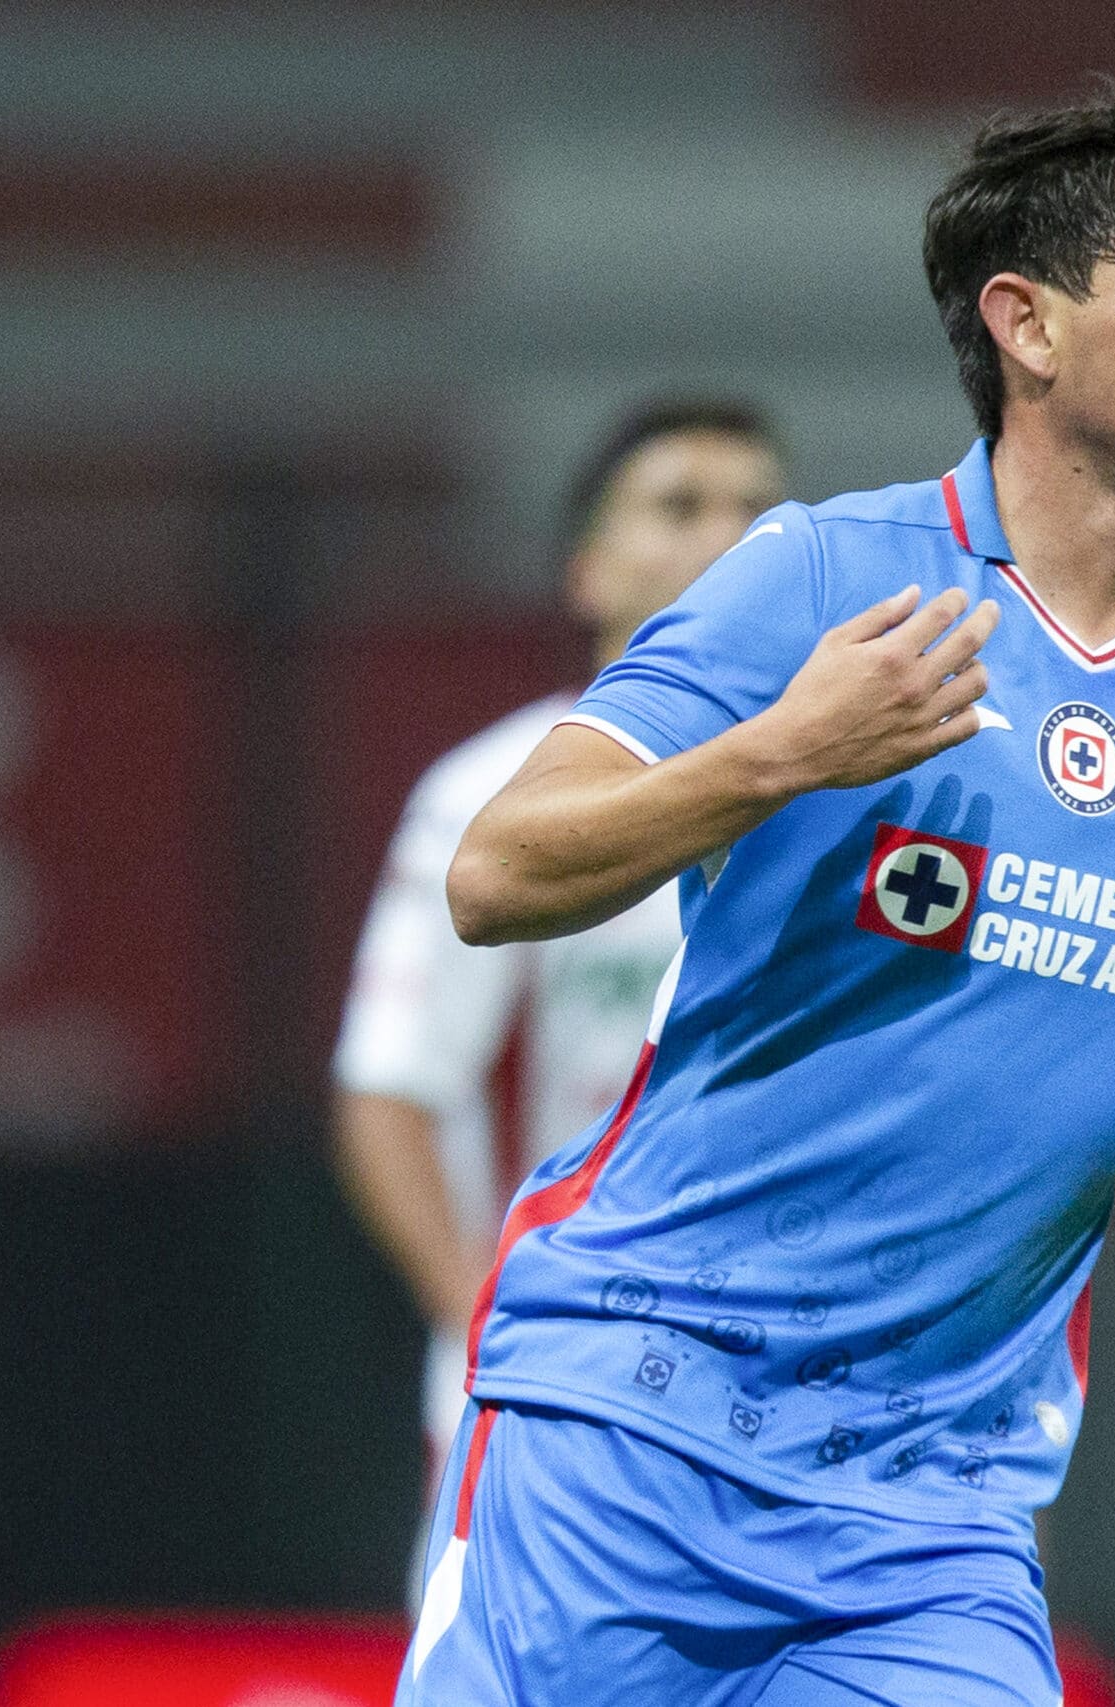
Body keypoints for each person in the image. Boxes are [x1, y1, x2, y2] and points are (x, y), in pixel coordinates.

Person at [402, 75, 1115, 1706]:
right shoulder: (822, 577)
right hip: (636, 1418)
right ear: (1030, 326)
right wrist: (779, 755)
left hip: (939, 1510)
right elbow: (495, 874)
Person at [331, 399, 787, 1590]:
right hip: (561, 1398)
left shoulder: (853, 799)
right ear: (587, 573)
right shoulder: (495, 804)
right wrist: (488, 1327)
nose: (727, 533)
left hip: (791, 1396)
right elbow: (388, 1097)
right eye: (679, 504)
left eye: (755, 506)